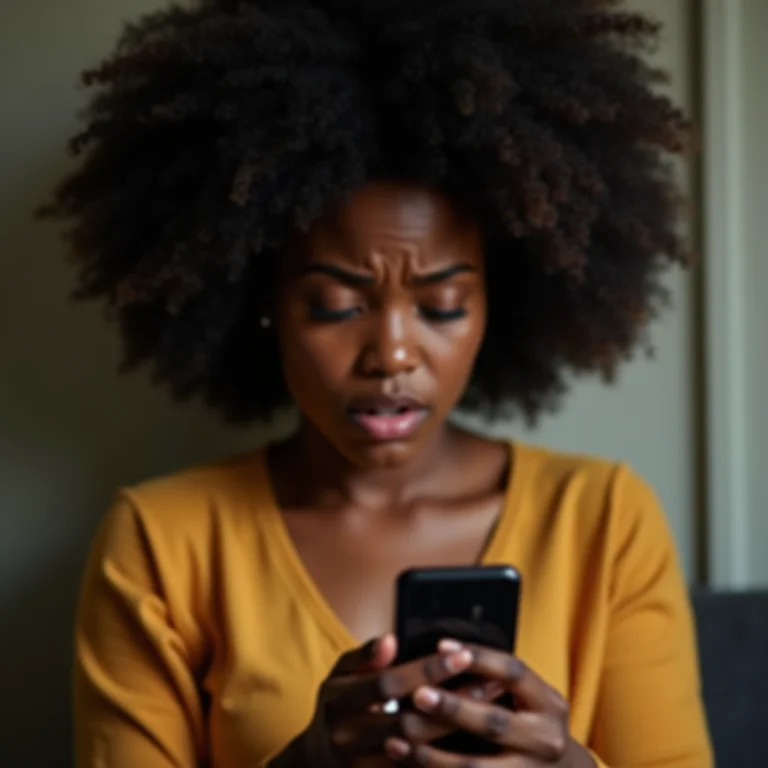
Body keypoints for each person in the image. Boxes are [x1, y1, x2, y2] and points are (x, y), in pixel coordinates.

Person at [41, 0, 713, 766]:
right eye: (336, 305)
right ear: (263, 303)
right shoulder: (163, 543)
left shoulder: (604, 521)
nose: (392, 353)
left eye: (441, 306)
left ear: (502, 302)